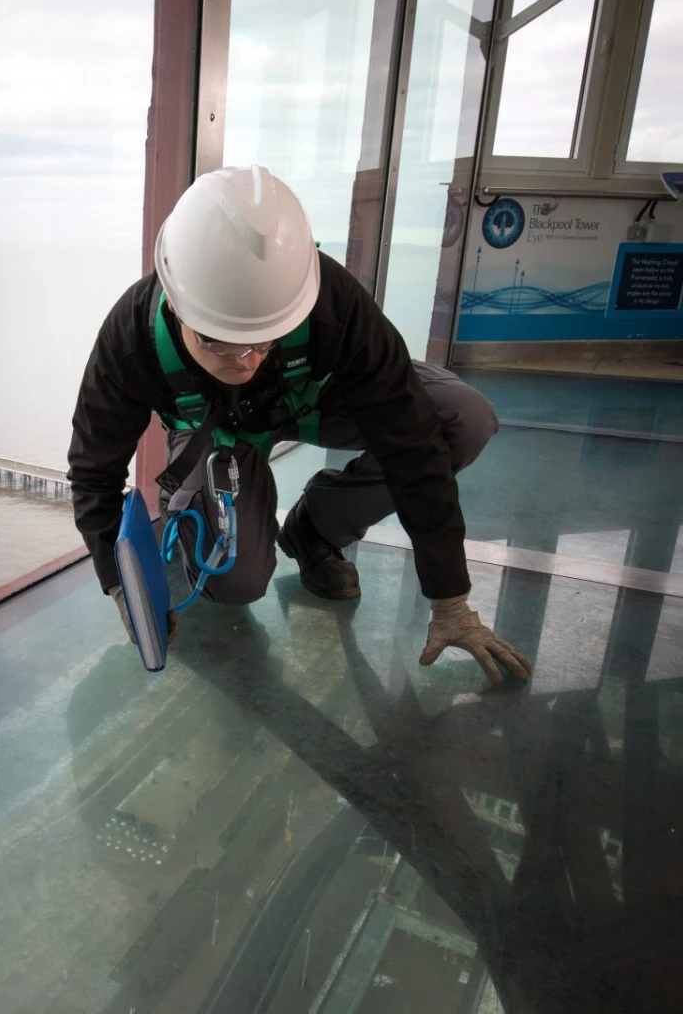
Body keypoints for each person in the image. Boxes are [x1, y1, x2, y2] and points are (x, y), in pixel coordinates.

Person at [67, 165, 531, 684]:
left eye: (266, 339)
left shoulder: (332, 302)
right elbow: (93, 473)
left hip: (317, 402)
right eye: (218, 342)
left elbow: (413, 442)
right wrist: (120, 585)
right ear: (175, 303)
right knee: (236, 584)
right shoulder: (130, 339)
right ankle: (207, 521)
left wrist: (450, 600)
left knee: (462, 419)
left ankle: (318, 526)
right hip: (215, 437)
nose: (247, 362)